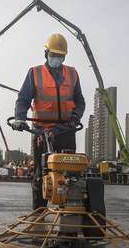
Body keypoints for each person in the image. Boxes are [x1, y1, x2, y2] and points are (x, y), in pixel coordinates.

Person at [12, 33, 85, 210]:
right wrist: (20, 118)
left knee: (70, 175)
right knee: (40, 175)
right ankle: (39, 214)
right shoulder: (35, 73)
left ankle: (68, 216)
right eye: (54, 55)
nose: (57, 59)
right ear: (46, 53)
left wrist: (74, 119)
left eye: (60, 56)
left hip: (66, 131)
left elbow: (79, 101)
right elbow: (23, 99)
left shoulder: (72, 74)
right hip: (42, 132)